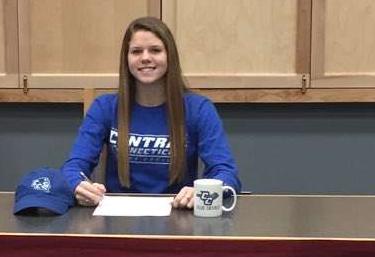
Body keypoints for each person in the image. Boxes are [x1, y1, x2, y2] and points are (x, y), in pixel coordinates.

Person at [61, 16, 241, 209]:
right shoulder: (104, 108)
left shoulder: (199, 109)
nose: (145, 57)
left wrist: (204, 190)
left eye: (155, 50)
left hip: (178, 217)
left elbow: (226, 174)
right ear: (126, 59)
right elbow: (72, 167)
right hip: (117, 222)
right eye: (136, 51)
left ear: (169, 56)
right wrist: (76, 185)